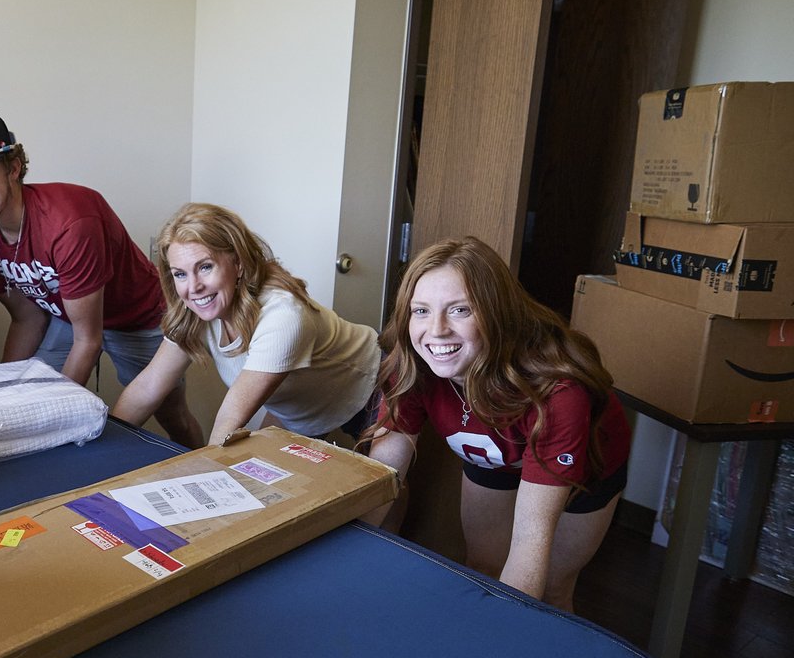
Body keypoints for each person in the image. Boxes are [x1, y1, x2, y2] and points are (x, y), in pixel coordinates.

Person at [363, 236, 630, 613]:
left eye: (459, 310)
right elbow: (384, 473)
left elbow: (529, 540)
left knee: (549, 591)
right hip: (494, 452)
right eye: (420, 311)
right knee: (484, 568)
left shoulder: (558, 395)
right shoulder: (411, 365)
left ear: (495, 312)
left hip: (583, 466)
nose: (435, 330)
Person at [0, 108, 201, 448]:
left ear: (13, 168)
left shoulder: (70, 221)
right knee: (24, 398)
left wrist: (59, 417)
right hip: (66, 316)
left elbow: (89, 340)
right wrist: (0, 396)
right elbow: (26, 318)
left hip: (139, 317)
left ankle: (202, 460)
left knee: (171, 415)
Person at [112, 202, 380, 447]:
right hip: (301, 406)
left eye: (205, 267)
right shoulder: (194, 313)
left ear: (238, 263)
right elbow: (147, 388)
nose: (193, 287)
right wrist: (104, 446)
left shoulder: (283, 315)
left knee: (383, 493)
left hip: (373, 381)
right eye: (180, 274)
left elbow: (229, 420)